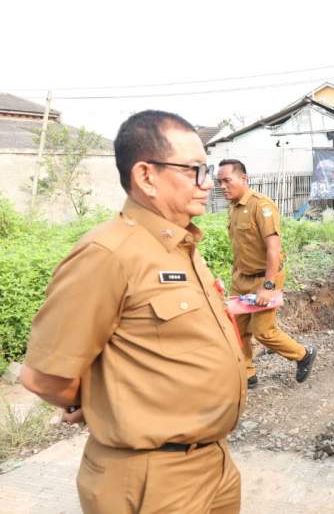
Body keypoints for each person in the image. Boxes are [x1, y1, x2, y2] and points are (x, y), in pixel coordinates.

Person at [20, 110, 246, 513]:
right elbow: (43, 376)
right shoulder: (107, 254)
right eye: (194, 170)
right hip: (152, 479)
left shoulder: (181, 248)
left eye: (207, 169)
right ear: (146, 176)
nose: (208, 183)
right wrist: (96, 402)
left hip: (213, 464)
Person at [216, 159, 316, 387]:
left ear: (243, 179)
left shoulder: (262, 206)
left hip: (265, 278)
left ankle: (303, 355)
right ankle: (247, 373)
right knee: (237, 329)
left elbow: (274, 249)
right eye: (219, 182)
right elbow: (240, 247)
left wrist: (268, 286)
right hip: (241, 278)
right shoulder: (233, 208)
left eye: (226, 180)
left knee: (263, 332)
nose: (222, 186)